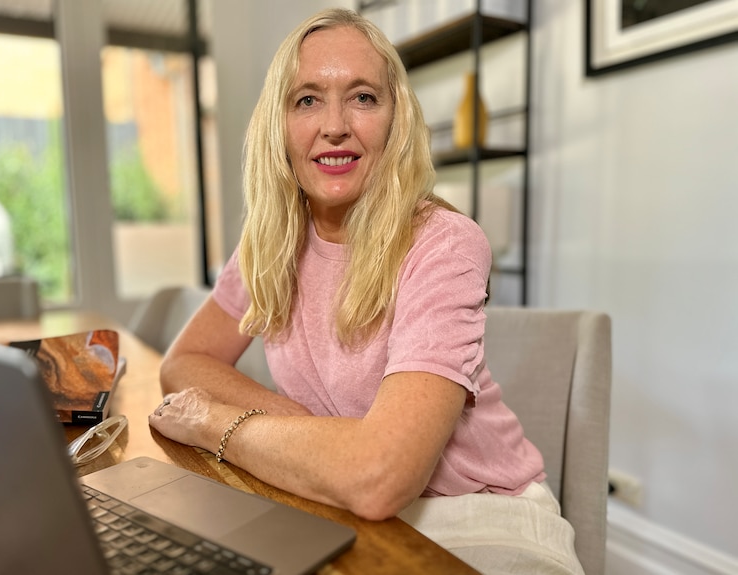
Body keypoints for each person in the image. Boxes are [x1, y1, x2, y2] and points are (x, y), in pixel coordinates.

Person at [149, 8, 583, 575]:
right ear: (278, 125)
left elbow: (379, 477)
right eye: (307, 99)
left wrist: (214, 422)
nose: (334, 125)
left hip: (480, 518)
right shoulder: (272, 240)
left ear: (394, 119)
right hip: (337, 502)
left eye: (362, 97)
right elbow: (184, 362)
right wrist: (315, 437)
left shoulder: (445, 245)